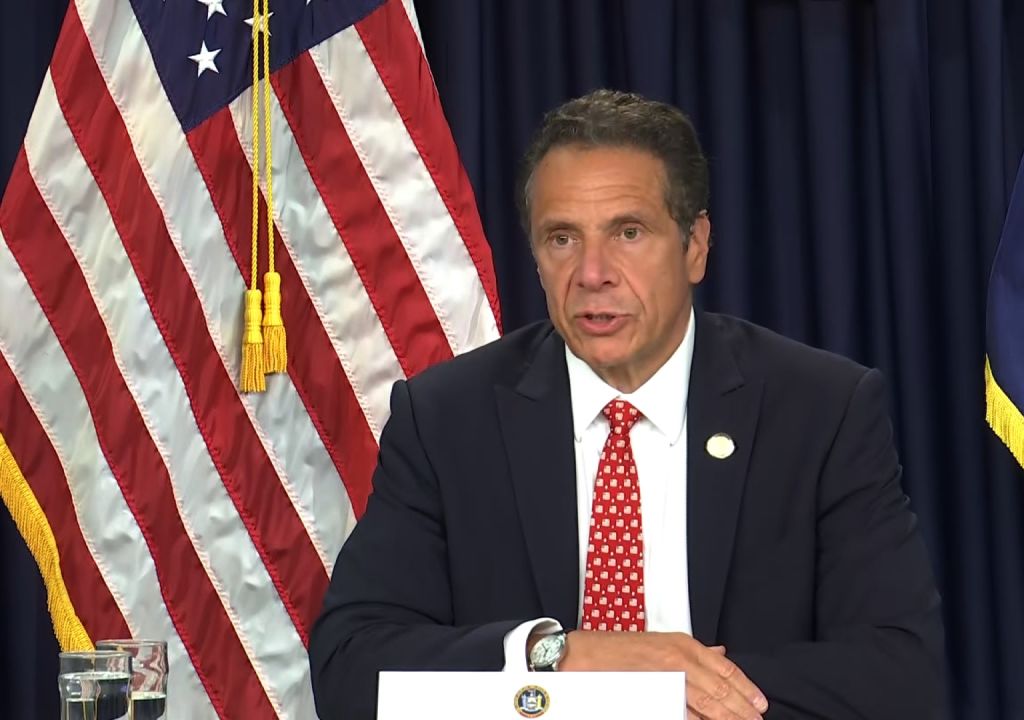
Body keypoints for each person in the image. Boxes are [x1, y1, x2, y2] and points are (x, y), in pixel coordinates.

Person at [309, 89, 945, 719]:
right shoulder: (446, 419)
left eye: (628, 232)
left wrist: (665, 692)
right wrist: (556, 655)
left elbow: (898, 675)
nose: (592, 273)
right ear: (534, 256)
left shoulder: (820, 411)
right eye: (562, 238)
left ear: (695, 246)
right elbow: (351, 666)